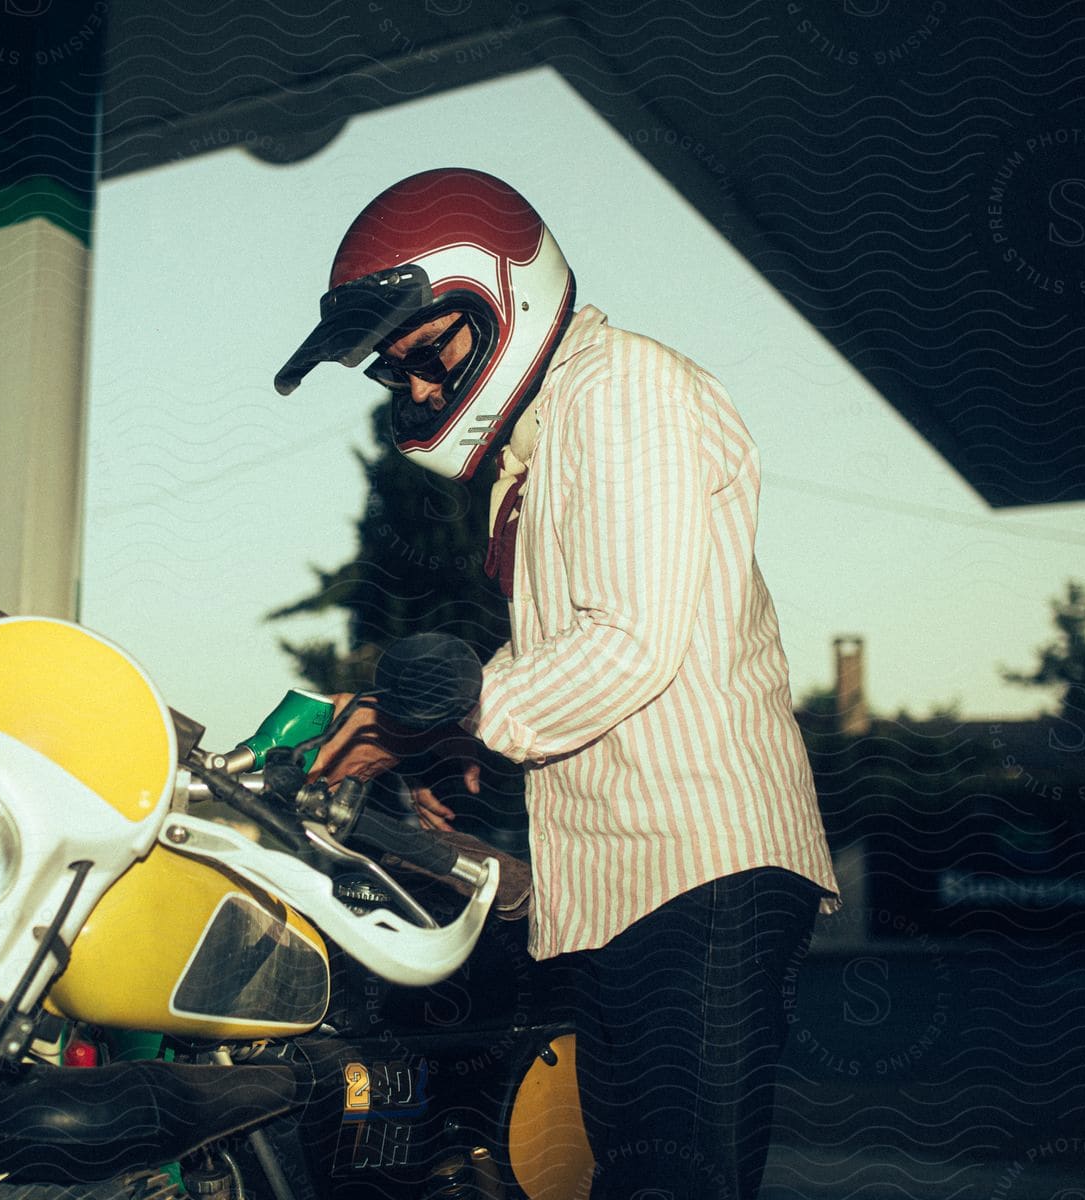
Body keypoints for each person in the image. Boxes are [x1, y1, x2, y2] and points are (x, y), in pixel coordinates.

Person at [274, 167, 840, 1200]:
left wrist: (432, 716)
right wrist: (461, 751)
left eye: (429, 358)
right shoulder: (542, 450)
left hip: (700, 862)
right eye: (397, 376)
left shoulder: (620, 389)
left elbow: (629, 641)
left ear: (503, 293)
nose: (419, 393)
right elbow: (579, 672)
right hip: (632, 877)